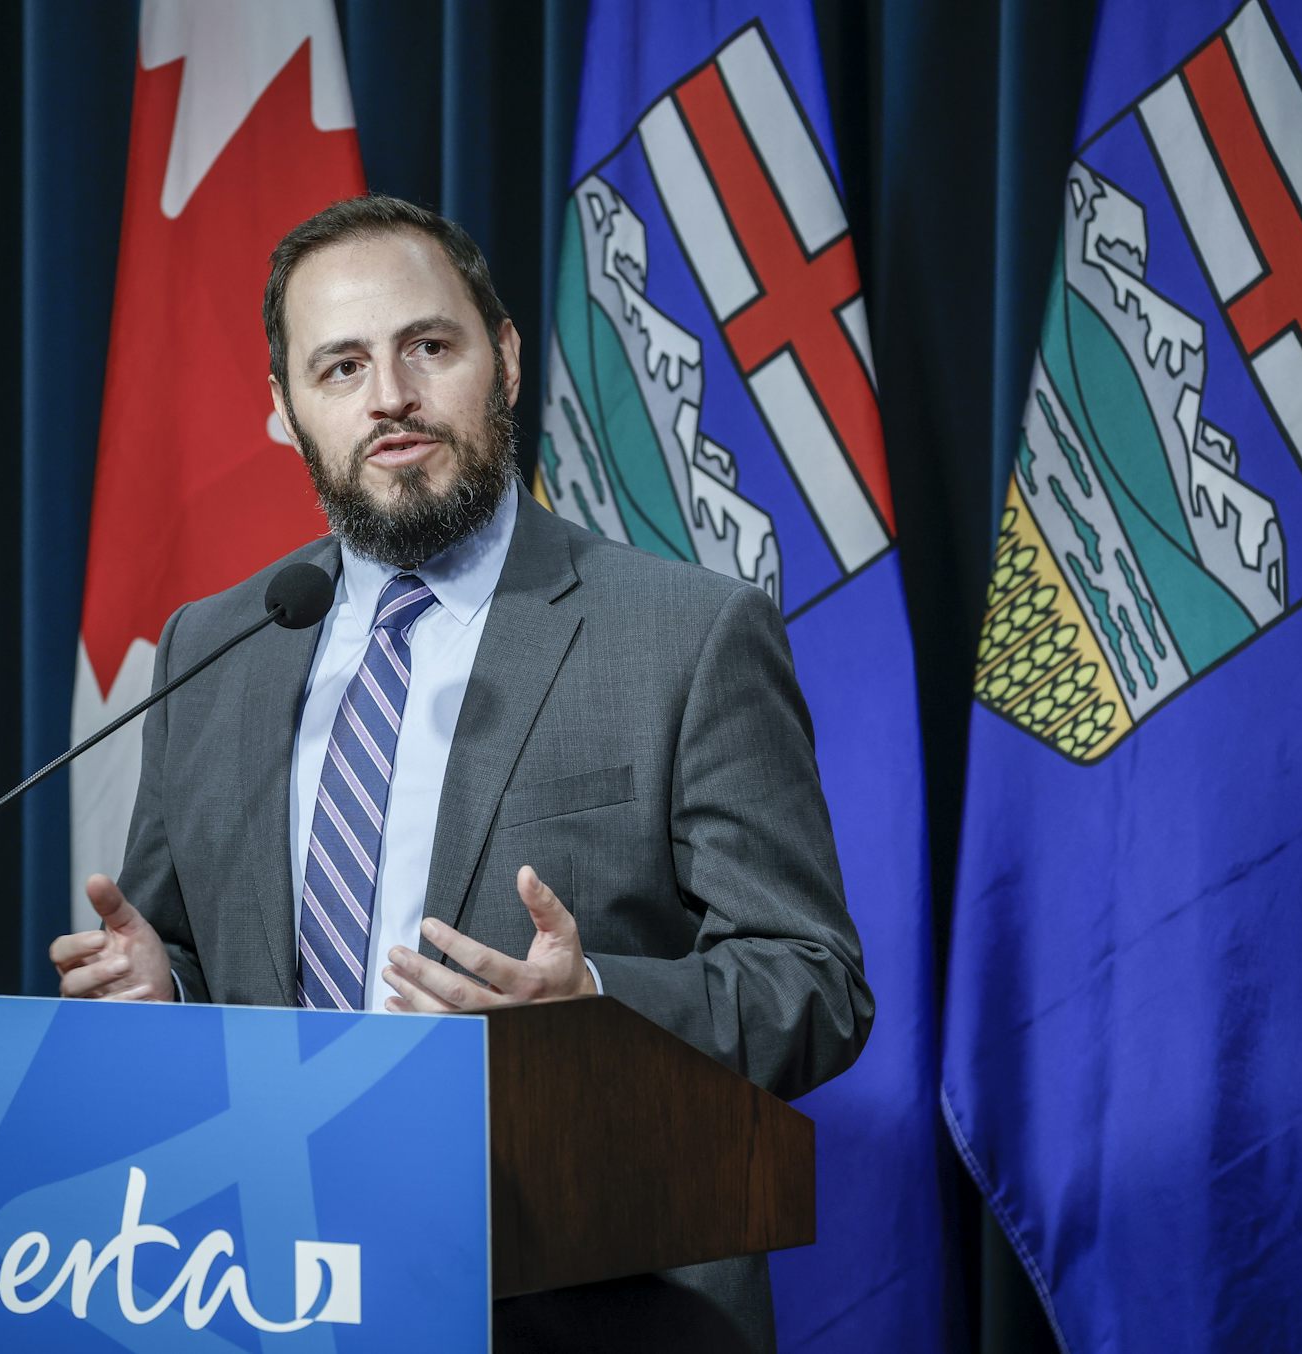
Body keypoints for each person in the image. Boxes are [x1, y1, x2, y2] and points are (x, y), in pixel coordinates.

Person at [49, 194, 872, 1352]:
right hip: (274, 1295)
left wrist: (594, 1011)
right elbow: (195, 946)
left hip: (586, 1304)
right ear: (283, 412)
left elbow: (814, 983)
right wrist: (162, 988)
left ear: (508, 362)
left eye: (428, 347)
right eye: (338, 367)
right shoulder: (220, 645)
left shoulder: (685, 634)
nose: (388, 395)